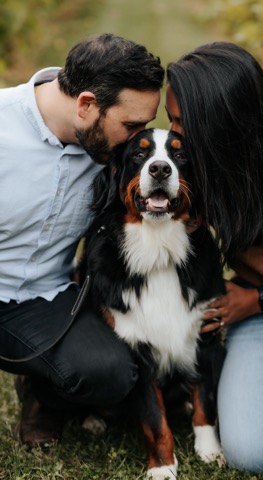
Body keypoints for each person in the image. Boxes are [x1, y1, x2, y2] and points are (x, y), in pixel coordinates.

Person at [0, 32, 164, 448]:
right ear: (87, 105)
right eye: (131, 126)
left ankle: (43, 397)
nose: (137, 141)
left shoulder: (109, 157)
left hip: (46, 300)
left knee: (112, 373)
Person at [166, 42, 263, 474]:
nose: (174, 133)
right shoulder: (207, 159)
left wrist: (261, 299)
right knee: (254, 454)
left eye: (182, 121)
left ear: (227, 119)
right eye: (170, 117)